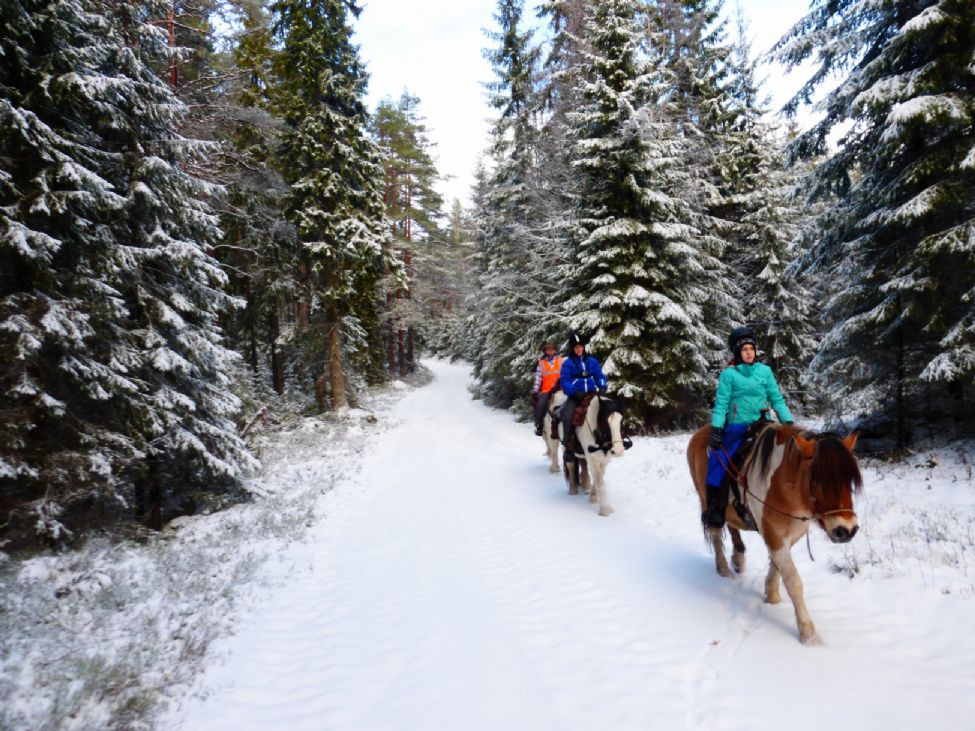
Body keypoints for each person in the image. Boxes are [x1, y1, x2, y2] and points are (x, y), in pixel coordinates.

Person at [703, 326, 794, 529]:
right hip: (738, 426)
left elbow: (776, 399)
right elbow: (722, 404)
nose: (749, 352)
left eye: (751, 348)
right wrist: (717, 429)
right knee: (719, 459)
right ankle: (716, 508)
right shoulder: (729, 375)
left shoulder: (765, 371)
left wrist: (788, 423)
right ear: (737, 352)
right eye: (744, 349)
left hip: (764, 423)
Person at [558, 332, 608, 459]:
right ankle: (568, 445)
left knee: (608, 411)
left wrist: (602, 386)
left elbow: (599, 376)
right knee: (567, 414)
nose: (579, 349)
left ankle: (608, 441)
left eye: (580, 346)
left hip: (591, 393)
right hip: (575, 395)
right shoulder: (568, 363)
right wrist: (573, 392)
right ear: (572, 349)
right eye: (576, 347)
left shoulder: (592, 361)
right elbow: (565, 381)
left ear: (583, 347)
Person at [531, 341, 565, 436]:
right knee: (540, 405)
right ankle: (539, 425)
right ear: (545, 351)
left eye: (552, 349)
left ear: (555, 350)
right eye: (548, 349)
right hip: (547, 390)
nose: (550, 351)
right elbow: (538, 378)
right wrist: (535, 390)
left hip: (561, 389)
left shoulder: (561, 360)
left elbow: (566, 374)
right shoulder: (541, 363)